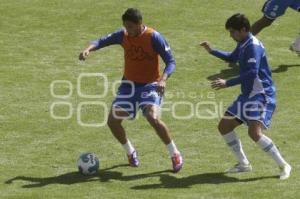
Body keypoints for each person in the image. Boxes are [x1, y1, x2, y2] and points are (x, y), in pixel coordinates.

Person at [79, 8, 183, 172]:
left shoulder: (153, 37)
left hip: (150, 84)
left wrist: (163, 80)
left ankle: (175, 154)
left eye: (130, 27)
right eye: (125, 27)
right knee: (113, 121)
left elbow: (171, 61)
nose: (127, 30)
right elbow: (101, 41)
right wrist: (88, 49)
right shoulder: (123, 35)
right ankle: (130, 152)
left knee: (152, 117)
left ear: (139, 24)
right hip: (129, 85)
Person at [200, 13, 291, 180]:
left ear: (243, 30)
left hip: (261, 95)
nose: (231, 35)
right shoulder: (243, 43)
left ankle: (284, 165)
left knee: (254, 133)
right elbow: (232, 58)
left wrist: (227, 82)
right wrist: (212, 51)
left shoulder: (253, 46)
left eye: (233, 32)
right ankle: (243, 164)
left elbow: (251, 72)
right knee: (224, 126)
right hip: (247, 95)